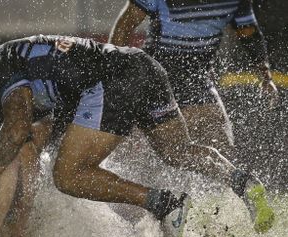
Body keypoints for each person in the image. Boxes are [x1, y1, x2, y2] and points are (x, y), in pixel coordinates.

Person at [0, 35, 275, 237]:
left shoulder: (1, 67)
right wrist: (4, 215)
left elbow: (15, 134)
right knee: (179, 151)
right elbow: (23, 144)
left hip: (113, 80)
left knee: (68, 175)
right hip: (142, 67)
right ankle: (244, 182)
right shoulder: (12, 62)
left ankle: (166, 204)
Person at [109, 0, 279, 158]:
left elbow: (250, 35)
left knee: (223, 149)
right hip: (155, 76)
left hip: (195, 77)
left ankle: (216, 186)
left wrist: (266, 77)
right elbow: (124, 26)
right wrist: (115, 73)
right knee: (139, 149)